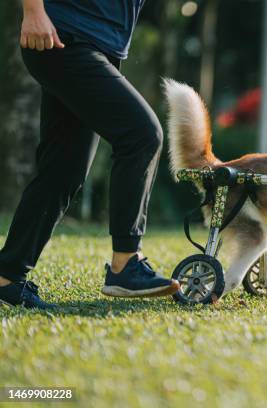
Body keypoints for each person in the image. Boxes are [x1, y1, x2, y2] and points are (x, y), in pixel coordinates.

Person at [0, 0, 180, 309]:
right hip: (64, 36)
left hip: (92, 43)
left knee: (63, 170)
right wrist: (33, 10)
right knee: (142, 134)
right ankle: (125, 264)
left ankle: (7, 276)